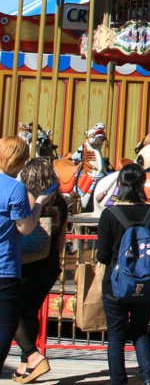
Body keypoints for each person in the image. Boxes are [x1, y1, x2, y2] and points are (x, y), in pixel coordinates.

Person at [97, 162, 150, 385]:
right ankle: (148, 377)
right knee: (140, 330)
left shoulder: (109, 214)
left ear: (120, 183)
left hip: (116, 284)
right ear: (142, 184)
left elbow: (102, 255)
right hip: (146, 284)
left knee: (116, 335)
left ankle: (118, 380)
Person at [0, 137, 55, 379]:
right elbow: (25, 228)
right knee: (6, 323)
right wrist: (40, 203)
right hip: (5, 265)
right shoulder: (15, 188)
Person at [12, 157, 68, 385]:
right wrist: (57, 262)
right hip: (49, 264)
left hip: (25, 262)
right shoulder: (60, 203)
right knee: (29, 312)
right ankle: (26, 364)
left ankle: (32, 355)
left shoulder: (25, 198)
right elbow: (62, 237)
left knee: (10, 311)